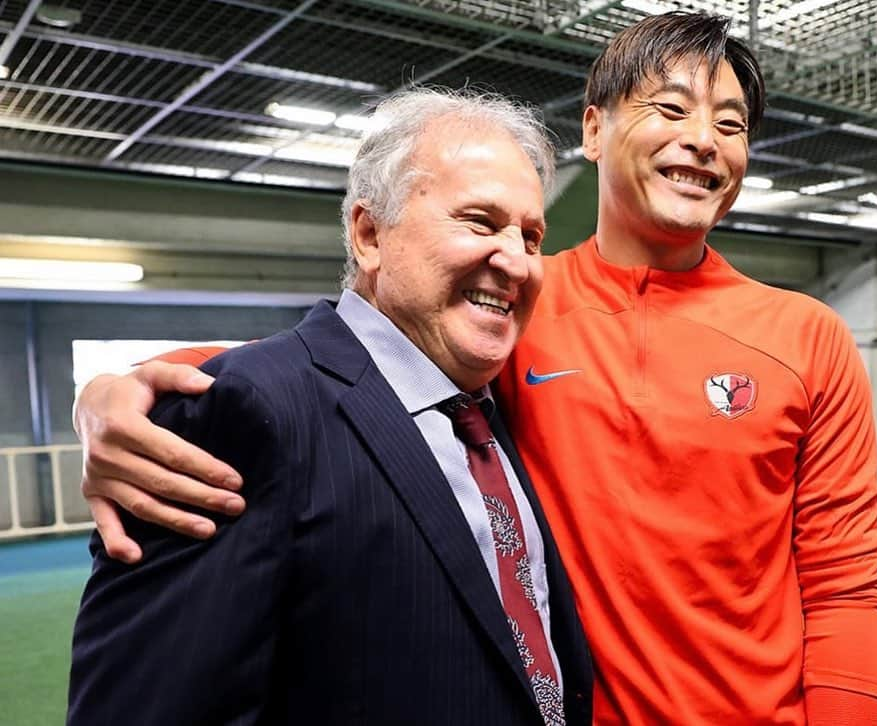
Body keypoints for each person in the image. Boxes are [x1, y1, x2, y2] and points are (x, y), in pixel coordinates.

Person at [72, 12, 877, 725]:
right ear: (595, 131)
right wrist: (120, 390)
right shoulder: (511, 309)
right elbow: (327, 366)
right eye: (669, 108)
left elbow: (844, 586)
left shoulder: (806, 336)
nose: (702, 139)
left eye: (732, 124)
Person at [67, 88, 593, 726]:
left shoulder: (488, 409)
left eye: (531, 235)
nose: (518, 261)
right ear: (369, 234)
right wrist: (103, 394)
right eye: (479, 222)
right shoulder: (243, 412)